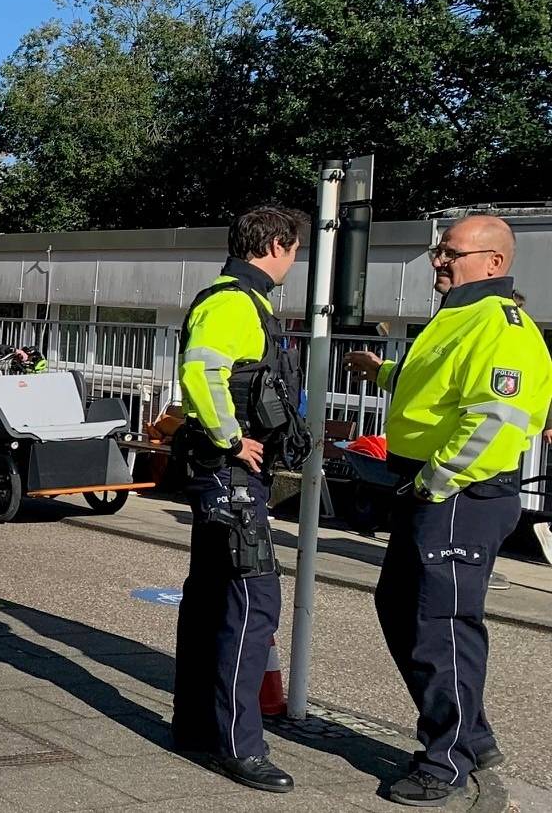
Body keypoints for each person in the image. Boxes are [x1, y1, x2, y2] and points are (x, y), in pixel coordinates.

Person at [344, 214, 550, 806]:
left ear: (494, 262)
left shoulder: (500, 325)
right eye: (438, 250)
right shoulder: (458, 315)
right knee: (402, 609)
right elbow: (437, 389)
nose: (439, 259)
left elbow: (493, 420)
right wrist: (380, 371)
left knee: (443, 627)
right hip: (432, 489)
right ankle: (470, 735)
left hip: (460, 493)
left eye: (451, 251)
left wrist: (434, 483)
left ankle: (449, 759)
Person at [168, 205, 308, 794]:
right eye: (295, 248)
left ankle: (199, 728)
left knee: (211, 598)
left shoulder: (239, 300)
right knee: (254, 604)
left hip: (218, 470)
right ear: (275, 245)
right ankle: (239, 747)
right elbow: (202, 372)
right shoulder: (234, 303)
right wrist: (232, 437)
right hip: (230, 471)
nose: (296, 259)